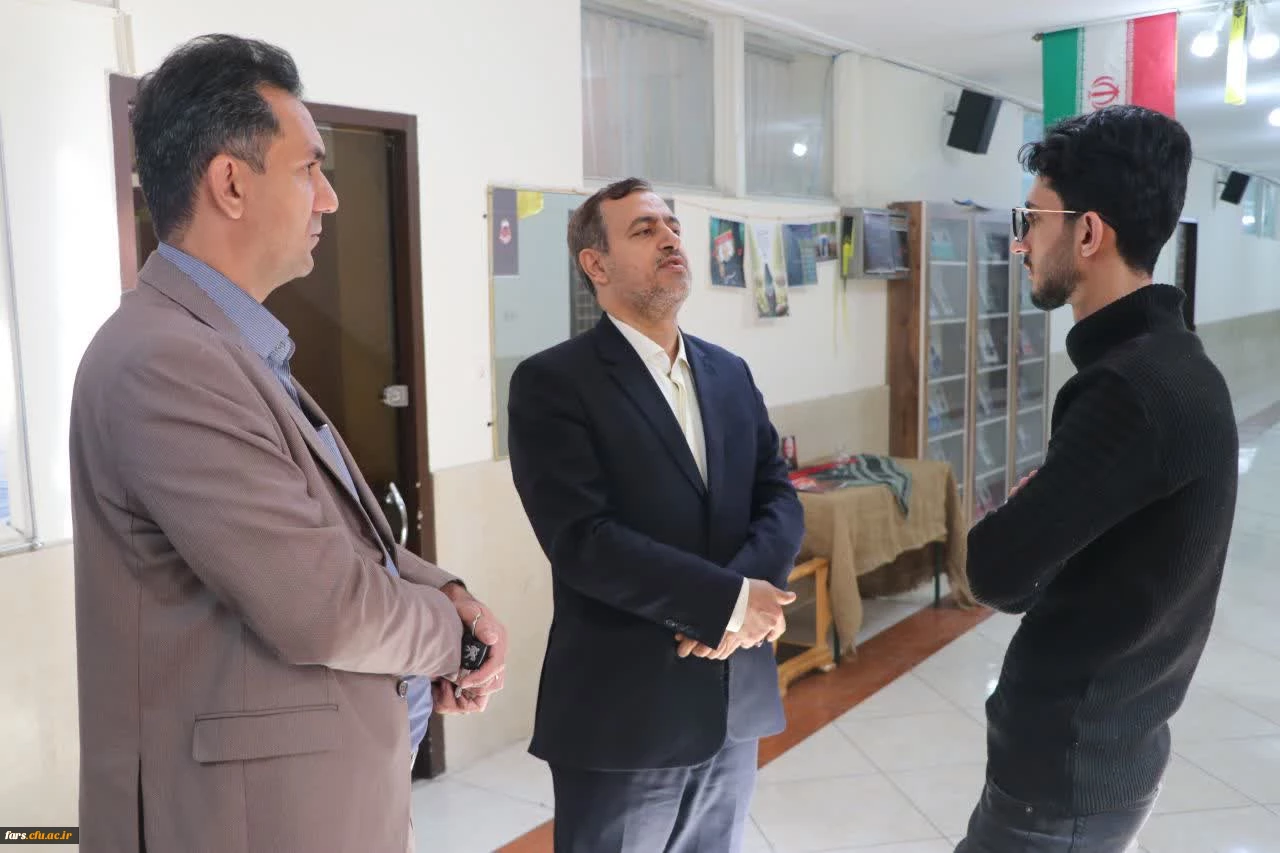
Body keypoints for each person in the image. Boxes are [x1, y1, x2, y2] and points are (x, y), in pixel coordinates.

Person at [69, 34, 506, 853]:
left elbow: (331, 539)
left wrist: (444, 592)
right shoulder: (166, 359)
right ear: (231, 183)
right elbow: (323, 603)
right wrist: (456, 640)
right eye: (310, 169)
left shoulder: (228, 347)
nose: (329, 200)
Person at [956, 105, 1237, 852]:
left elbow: (995, 568)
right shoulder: (1175, 361)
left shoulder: (1130, 389)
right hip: (1106, 759)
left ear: (1087, 234)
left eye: (1033, 218)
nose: (1021, 241)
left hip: (1064, 782)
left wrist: (1021, 523)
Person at [506, 178, 804, 853]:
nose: (670, 238)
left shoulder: (729, 373)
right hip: (627, 711)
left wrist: (742, 605)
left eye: (671, 226)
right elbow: (583, 540)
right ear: (596, 263)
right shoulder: (555, 383)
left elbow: (778, 496)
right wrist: (726, 603)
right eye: (644, 230)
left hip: (733, 700)